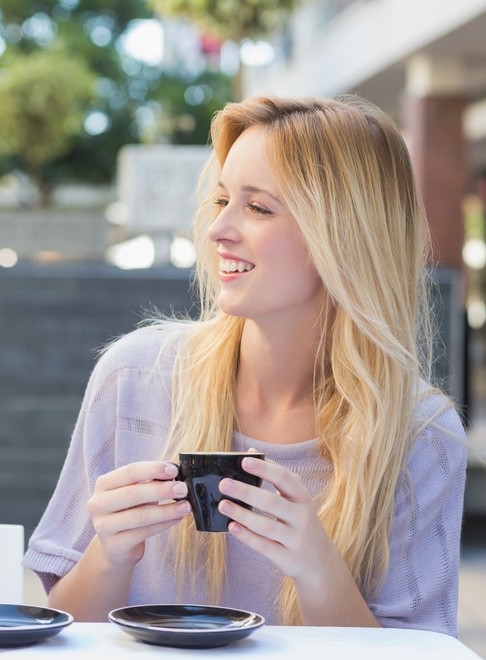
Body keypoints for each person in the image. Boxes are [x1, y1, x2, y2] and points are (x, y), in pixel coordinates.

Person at [23, 95, 467, 635]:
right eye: (221, 200)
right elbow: (57, 633)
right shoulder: (134, 378)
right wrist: (110, 556)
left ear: (346, 236)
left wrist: (318, 570)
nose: (218, 230)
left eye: (258, 208)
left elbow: (415, 654)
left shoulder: (421, 436)